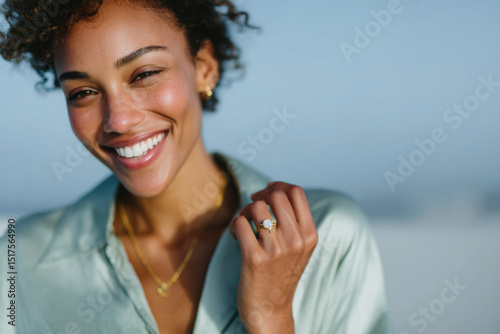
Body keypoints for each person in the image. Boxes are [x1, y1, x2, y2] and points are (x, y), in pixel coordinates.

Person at [0, 0, 391, 333]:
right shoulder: (17, 262)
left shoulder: (330, 235)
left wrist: (271, 317)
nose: (117, 120)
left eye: (145, 74)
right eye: (83, 92)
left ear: (204, 67)